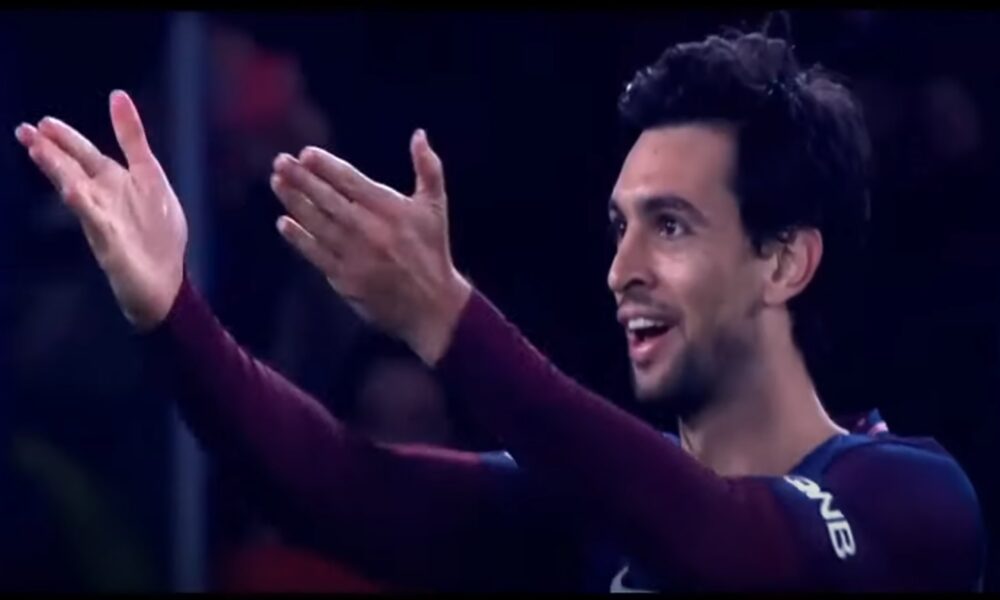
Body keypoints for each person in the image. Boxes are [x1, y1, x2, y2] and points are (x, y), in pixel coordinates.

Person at [15, 26, 986, 592]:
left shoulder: (911, 502)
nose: (622, 270)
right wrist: (170, 311)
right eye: (619, 227)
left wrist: (450, 320)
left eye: (672, 226)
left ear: (783, 263)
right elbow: (331, 483)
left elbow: (729, 548)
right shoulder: (585, 508)